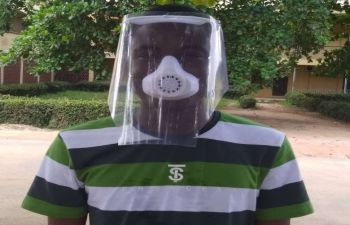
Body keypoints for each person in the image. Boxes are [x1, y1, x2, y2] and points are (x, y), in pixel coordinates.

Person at [22, 4, 313, 225]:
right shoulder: (76, 146)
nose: (168, 70)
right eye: (147, 54)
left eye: (192, 55)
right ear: (128, 64)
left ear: (213, 66)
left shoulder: (267, 147)